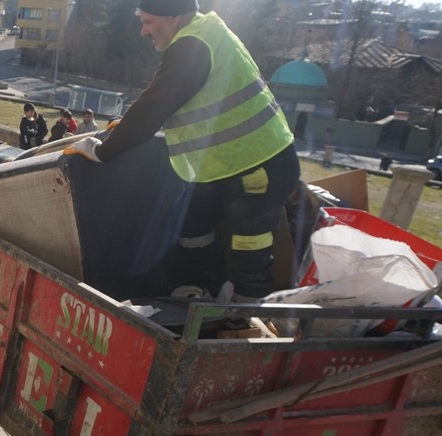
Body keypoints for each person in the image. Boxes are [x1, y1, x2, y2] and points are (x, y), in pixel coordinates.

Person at [66, 0, 299, 301]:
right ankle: (210, 288)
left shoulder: (193, 46)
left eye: (148, 21)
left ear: (174, 16)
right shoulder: (206, 32)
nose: (143, 31)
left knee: (248, 258)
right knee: (190, 224)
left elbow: (154, 107)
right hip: (227, 167)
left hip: (258, 168)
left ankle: (240, 328)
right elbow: (181, 104)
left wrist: (102, 151)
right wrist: (125, 128)